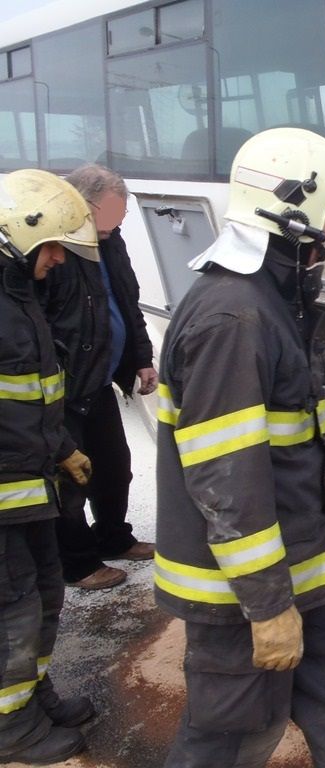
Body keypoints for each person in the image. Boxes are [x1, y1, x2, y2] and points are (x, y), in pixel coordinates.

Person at [155, 127, 325, 768]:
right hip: (244, 595)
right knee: (234, 735)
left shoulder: (266, 300)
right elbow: (228, 480)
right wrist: (266, 607)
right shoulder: (234, 318)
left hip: (298, 569)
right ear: (296, 208)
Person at [0, 169, 100, 764]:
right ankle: (10, 727)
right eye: (54, 246)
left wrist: (61, 447)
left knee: (41, 593)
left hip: (27, 483)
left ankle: (31, 698)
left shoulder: (16, 296)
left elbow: (31, 393)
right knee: (11, 607)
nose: (60, 259)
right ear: (19, 235)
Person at [44, 164, 156, 590]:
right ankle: (77, 563)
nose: (111, 228)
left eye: (118, 220)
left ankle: (113, 537)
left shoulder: (109, 240)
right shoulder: (54, 248)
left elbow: (128, 301)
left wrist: (141, 358)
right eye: (106, 220)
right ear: (78, 206)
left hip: (100, 381)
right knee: (70, 481)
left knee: (115, 469)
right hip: (66, 389)